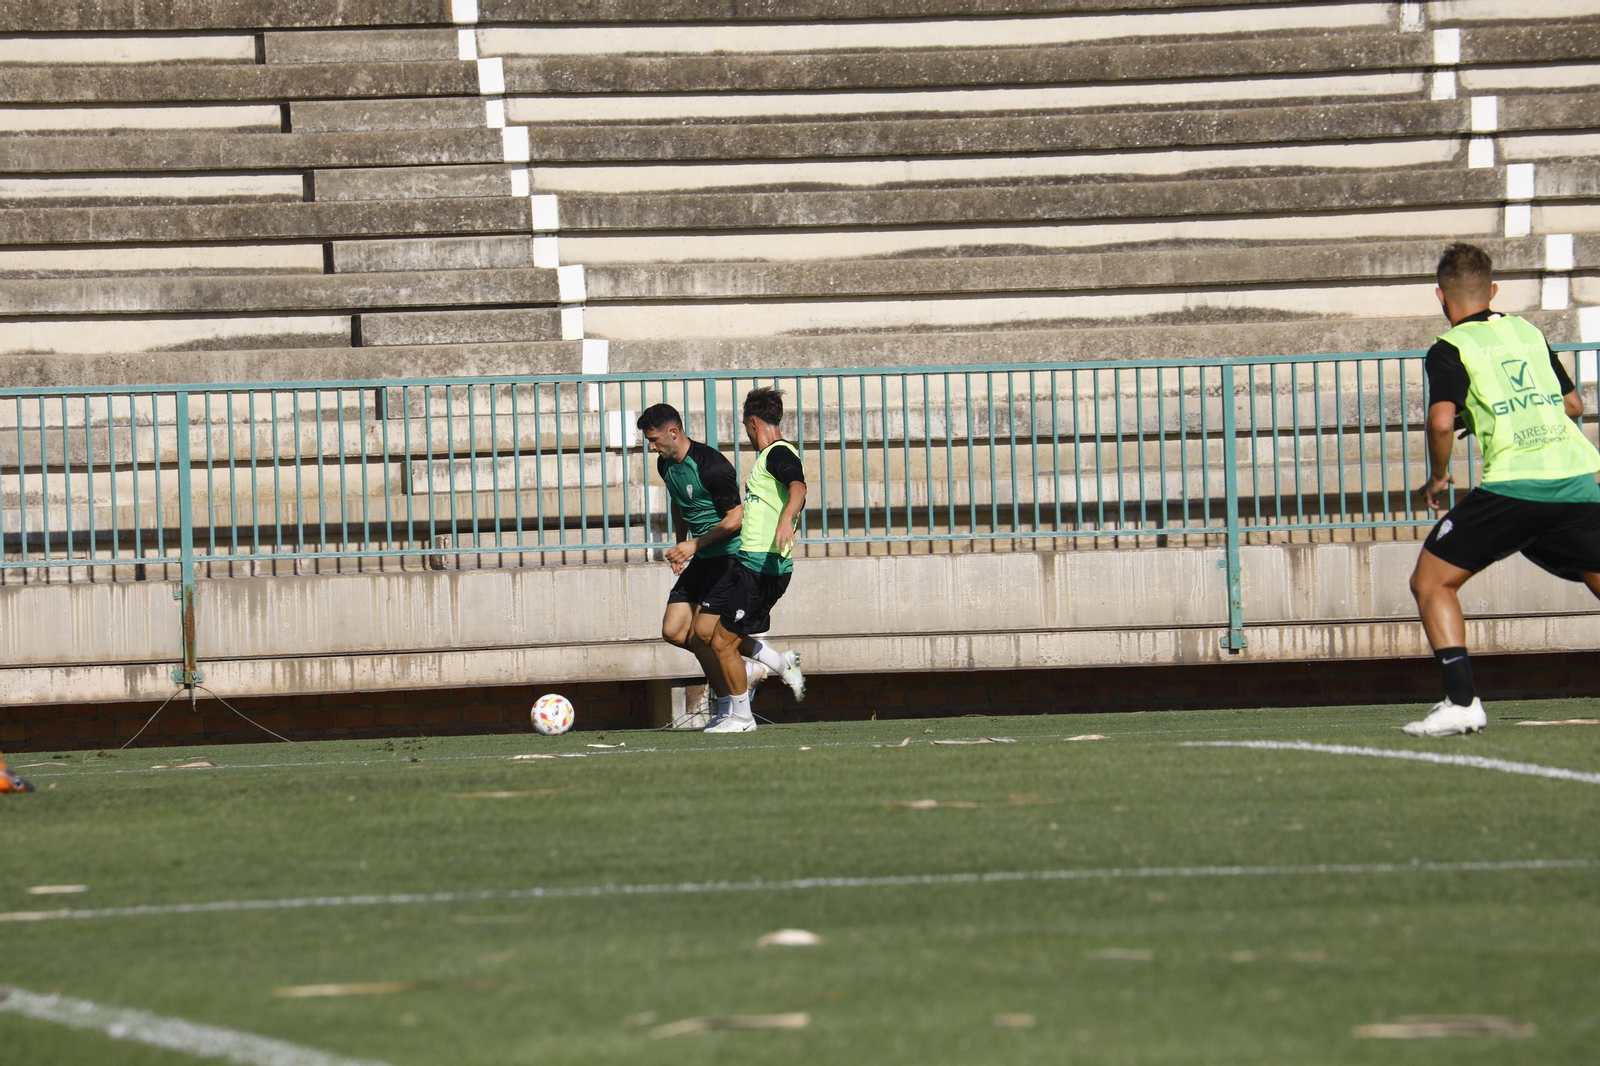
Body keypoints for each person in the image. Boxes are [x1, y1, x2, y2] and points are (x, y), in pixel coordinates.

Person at [1406, 242, 1600, 737]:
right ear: (1493, 290)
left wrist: (1438, 475)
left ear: (1440, 296)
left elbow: (1441, 420)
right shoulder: (1527, 331)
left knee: (1431, 582)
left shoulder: (1450, 347)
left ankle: (1462, 702)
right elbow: (1573, 405)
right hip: (1578, 480)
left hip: (1516, 486)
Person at [637, 404, 803, 724]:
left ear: (674, 433)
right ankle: (759, 668)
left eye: (654, 440)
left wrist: (692, 545)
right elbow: (679, 503)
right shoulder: (665, 464)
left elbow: (736, 518)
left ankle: (729, 705)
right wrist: (681, 545)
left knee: (705, 634)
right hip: (701, 555)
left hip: (728, 555)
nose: (651, 447)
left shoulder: (712, 466)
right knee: (674, 631)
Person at [693, 388, 808, 733]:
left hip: (764, 567)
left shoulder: (778, 454)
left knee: (722, 641)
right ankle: (778, 662)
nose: (746, 432)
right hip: (747, 562)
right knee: (706, 631)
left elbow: (798, 488)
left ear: (753, 423)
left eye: (745, 426)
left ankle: (742, 717)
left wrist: (786, 518)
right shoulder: (768, 458)